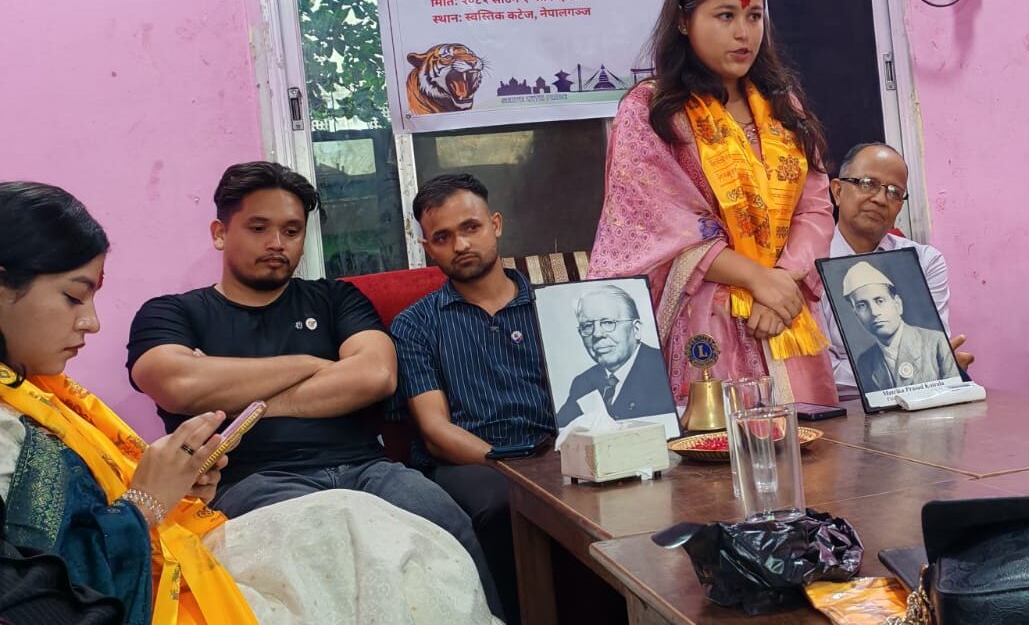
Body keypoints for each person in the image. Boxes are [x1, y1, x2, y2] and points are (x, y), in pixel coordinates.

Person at [0, 182, 497, 624]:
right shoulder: (173, 312)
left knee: (442, 521)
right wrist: (313, 363)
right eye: (259, 227)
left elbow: (375, 375)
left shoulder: (335, 299)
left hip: (366, 466)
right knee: (334, 541)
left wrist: (242, 397)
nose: (277, 242)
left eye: (291, 230)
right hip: (255, 478)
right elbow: (176, 383)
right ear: (220, 232)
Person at [587, 0, 838, 406]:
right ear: (684, 21)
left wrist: (781, 281)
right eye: (725, 16)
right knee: (718, 445)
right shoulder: (652, 112)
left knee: (812, 445)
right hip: (708, 316)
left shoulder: (782, 108)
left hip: (784, 315)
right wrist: (757, 279)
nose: (744, 33)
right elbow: (659, 227)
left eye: (754, 16)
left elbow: (815, 207)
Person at [391, 173, 560, 625]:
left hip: (560, 450)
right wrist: (517, 467)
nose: (461, 245)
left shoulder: (553, 305)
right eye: (443, 237)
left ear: (495, 224)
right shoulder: (415, 324)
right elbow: (436, 432)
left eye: (471, 227)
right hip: (472, 464)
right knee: (506, 502)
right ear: (428, 248)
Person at [820, 142, 974, 398]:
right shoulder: (807, 265)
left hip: (921, 406)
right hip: (844, 411)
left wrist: (933, 369)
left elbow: (935, 351)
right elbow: (820, 372)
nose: (880, 199)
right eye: (867, 183)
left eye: (894, 192)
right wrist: (922, 373)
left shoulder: (925, 261)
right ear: (837, 191)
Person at [555, 285, 675, 426]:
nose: (597, 334)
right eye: (587, 326)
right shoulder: (583, 383)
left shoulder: (666, 367)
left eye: (608, 322)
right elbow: (560, 431)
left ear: (636, 329)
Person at [837, 261, 960, 393]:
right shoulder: (865, 361)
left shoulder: (937, 342)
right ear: (857, 316)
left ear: (898, 304)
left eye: (880, 301)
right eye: (862, 305)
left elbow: (955, 395)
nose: (874, 312)